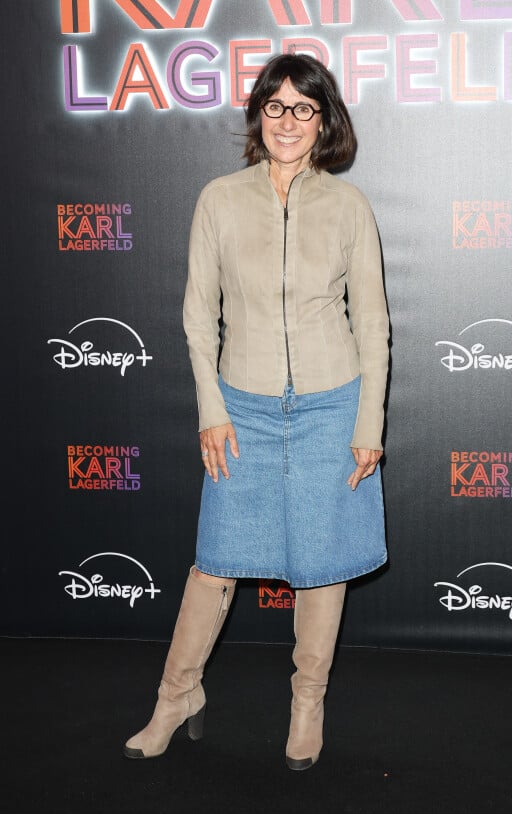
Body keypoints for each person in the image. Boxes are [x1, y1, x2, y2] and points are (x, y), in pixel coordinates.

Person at [124, 52, 390, 770]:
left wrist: (369, 425)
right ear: (258, 116)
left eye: (304, 107)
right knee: (215, 563)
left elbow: (372, 322)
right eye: (275, 105)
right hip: (241, 406)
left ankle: (309, 700)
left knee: (323, 562)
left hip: (333, 405)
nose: (289, 120)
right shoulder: (219, 198)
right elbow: (195, 314)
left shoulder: (348, 207)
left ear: (324, 119)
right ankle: (176, 696)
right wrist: (211, 409)